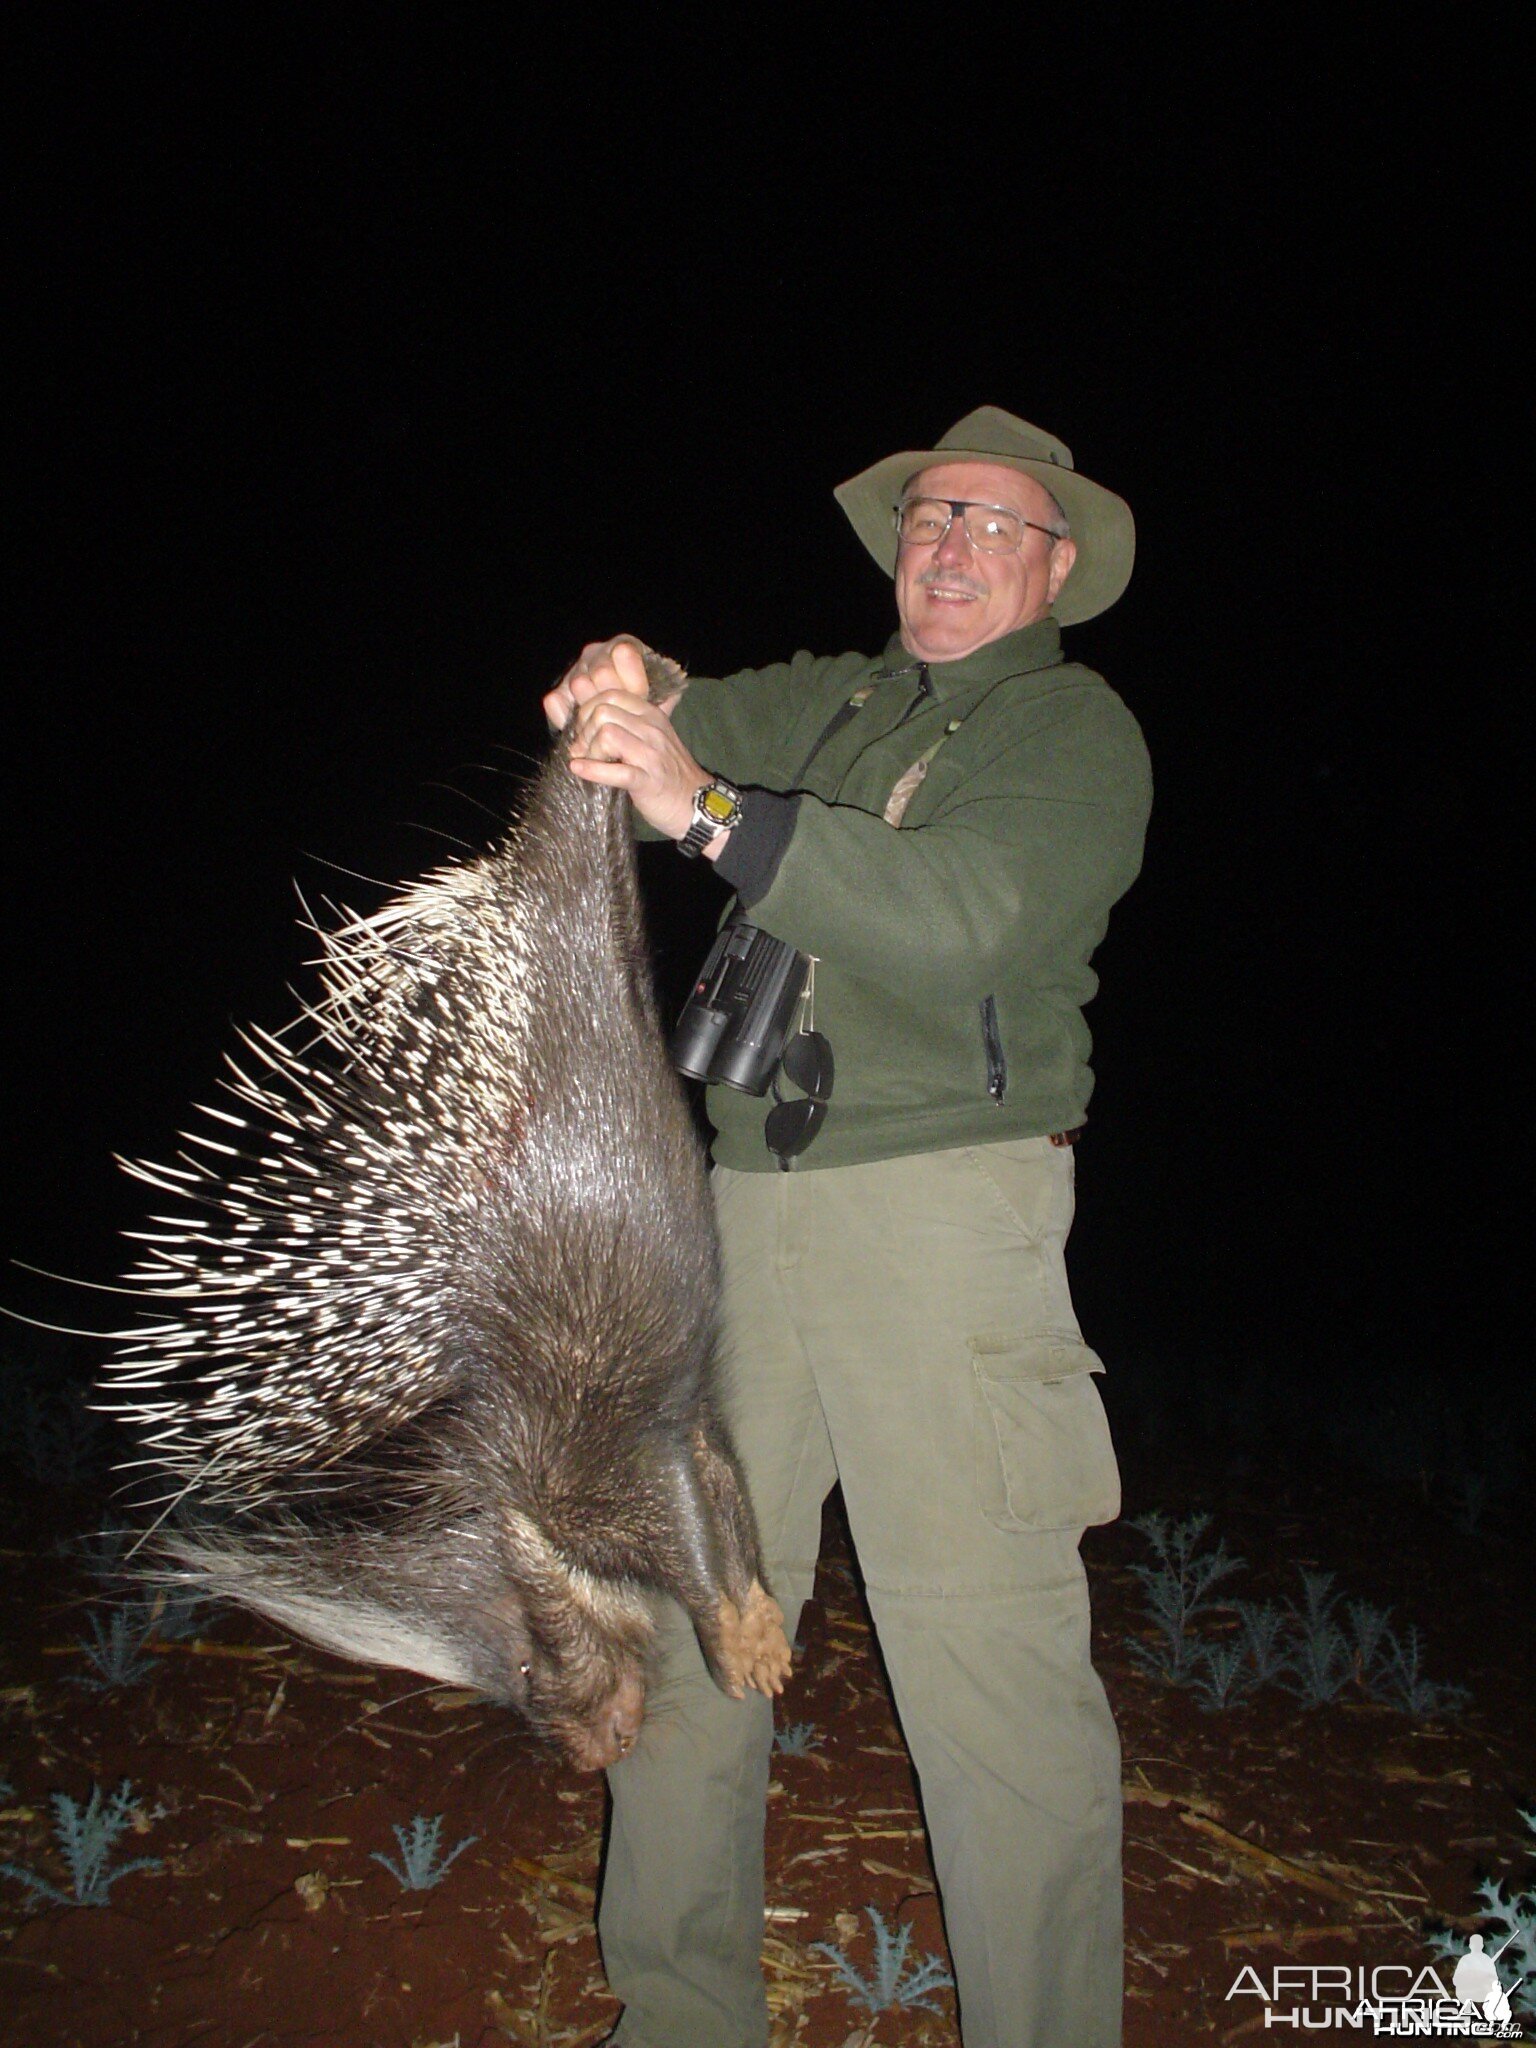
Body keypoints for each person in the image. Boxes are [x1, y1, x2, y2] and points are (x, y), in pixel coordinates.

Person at [542, 407, 1151, 2048]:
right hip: (744, 1207)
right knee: (692, 1624)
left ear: (1057, 566)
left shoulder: (1072, 735)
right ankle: (679, 2017)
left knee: (987, 1671)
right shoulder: (841, 699)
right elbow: (684, 711)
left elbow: (960, 918)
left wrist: (713, 815)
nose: (949, 545)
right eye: (930, 516)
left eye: (994, 526)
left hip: (944, 1222)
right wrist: (626, 678)